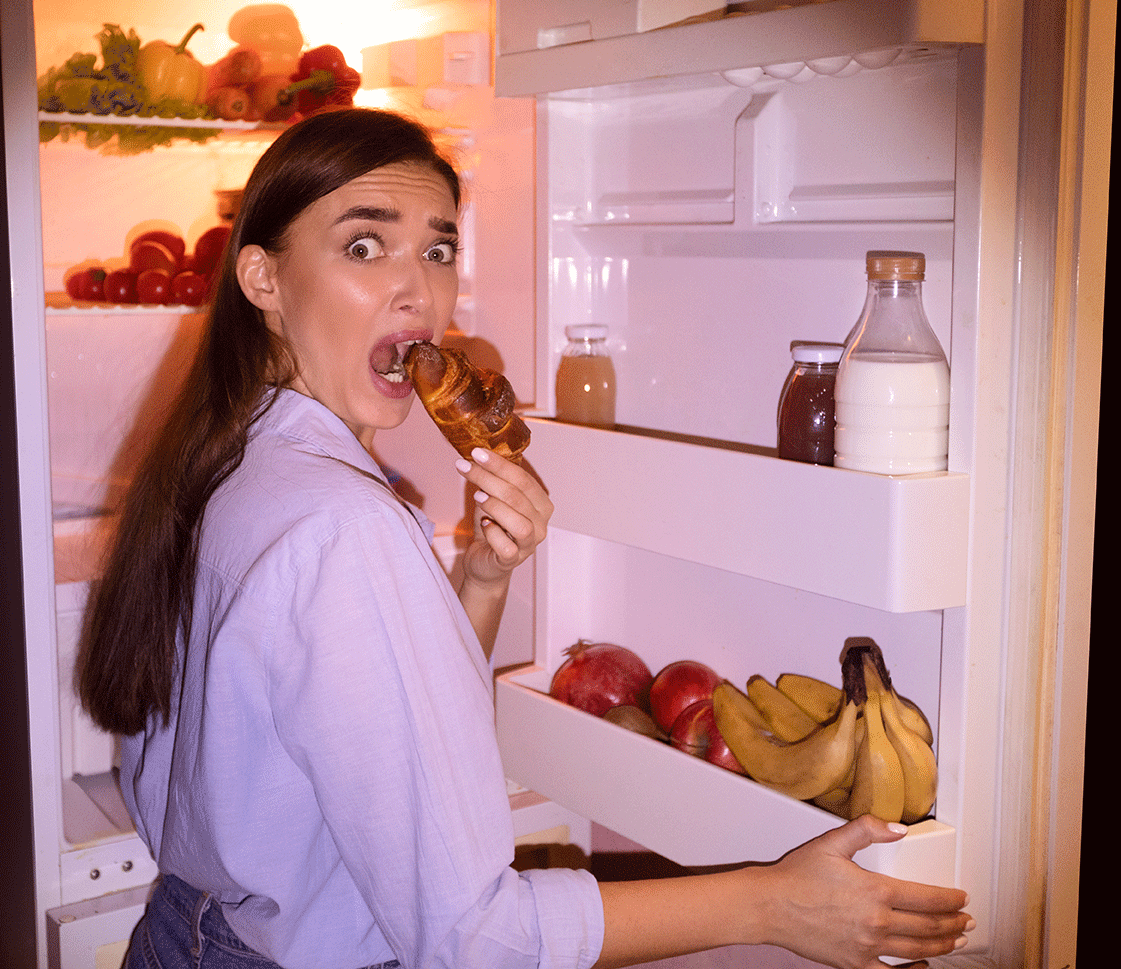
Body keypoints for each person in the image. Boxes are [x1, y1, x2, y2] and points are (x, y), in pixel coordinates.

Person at [78, 107, 973, 969]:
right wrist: (771, 903)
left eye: (438, 249)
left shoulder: (229, 457)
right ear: (263, 278)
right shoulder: (346, 523)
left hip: (182, 937)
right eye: (364, 245)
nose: (416, 289)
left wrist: (481, 575)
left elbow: (383, 741)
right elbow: (474, 939)